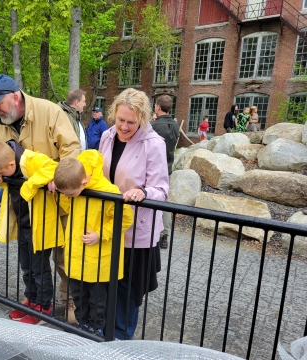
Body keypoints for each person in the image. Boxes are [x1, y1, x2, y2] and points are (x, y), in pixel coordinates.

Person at [0, 74, 82, 322]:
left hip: (55, 201)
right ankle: (35, 301)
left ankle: (74, 303)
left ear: (15, 96)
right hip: (22, 205)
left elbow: (72, 149)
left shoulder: (49, 111)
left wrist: (59, 175)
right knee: (29, 261)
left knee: (64, 258)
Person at [98, 88, 169, 340]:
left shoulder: (154, 144)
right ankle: (103, 332)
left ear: (142, 119)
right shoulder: (107, 137)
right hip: (108, 226)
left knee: (128, 289)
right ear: (113, 115)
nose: (124, 127)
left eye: (131, 122)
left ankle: (121, 338)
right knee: (105, 282)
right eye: (120, 120)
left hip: (136, 229)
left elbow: (162, 189)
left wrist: (143, 192)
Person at [0, 140, 64, 324]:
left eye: (2, 172)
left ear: (11, 165)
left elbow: (55, 167)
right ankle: (32, 300)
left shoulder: (31, 159)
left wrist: (31, 184)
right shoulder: (7, 163)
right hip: (24, 225)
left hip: (40, 227)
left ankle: (43, 307)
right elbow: (3, 176)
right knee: (26, 267)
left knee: (39, 269)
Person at [53, 151, 133, 336]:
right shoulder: (73, 186)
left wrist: (101, 234)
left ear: (83, 183)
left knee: (97, 301)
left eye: (70, 194)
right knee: (80, 297)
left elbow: (126, 218)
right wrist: (66, 197)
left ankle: (96, 332)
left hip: (96, 262)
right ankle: (83, 328)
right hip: (76, 257)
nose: (69, 196)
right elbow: (69, 207)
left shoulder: (108, 191)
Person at [150, 95, 180, 250]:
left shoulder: (153, 126)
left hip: (152, 169)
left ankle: (150, 232)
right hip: (167, 168)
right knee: (164, 200)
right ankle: (164, 234)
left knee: (150, 200)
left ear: (157, 107)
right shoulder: (175, 125)